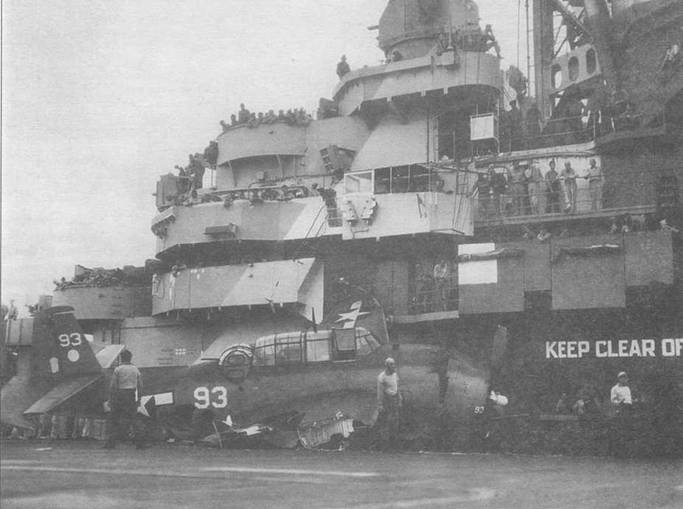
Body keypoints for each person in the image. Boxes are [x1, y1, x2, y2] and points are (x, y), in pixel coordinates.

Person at [104, 349, 144, 449]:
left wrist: (111, 399)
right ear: (130, 358)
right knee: (134, 419)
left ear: (121, 358)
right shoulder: (135, 369)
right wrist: (139, 399)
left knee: (114, 419)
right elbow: (140, 386)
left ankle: (110, 443)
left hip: (120, 395)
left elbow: (113, 386)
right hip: (131, 395)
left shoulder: (118, 369)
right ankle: (140, 443)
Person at [376, 357, 401, 449]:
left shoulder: (395, 375)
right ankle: (385, 445)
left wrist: (399, 398)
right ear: (387, 366)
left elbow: (397, 387)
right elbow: (380, 392)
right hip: (387, 399)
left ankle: (394, 444)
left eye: (394, 364)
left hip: (394, 399)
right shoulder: (382, 377)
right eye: (391, 364)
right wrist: (380, 404)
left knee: (395, 421)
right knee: (386, 422)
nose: (394, 366)